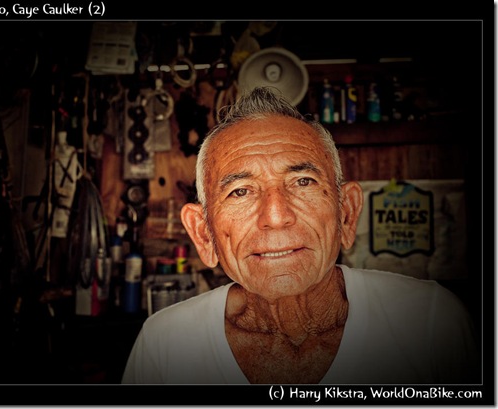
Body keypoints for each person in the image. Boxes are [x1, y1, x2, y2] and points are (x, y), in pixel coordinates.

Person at [121, 86, 480, 384]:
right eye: (241, 191)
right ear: (204, 234)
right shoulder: (166, 345)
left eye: (303, 182)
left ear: (347, 214)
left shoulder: (430, 323)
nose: (276, 217)